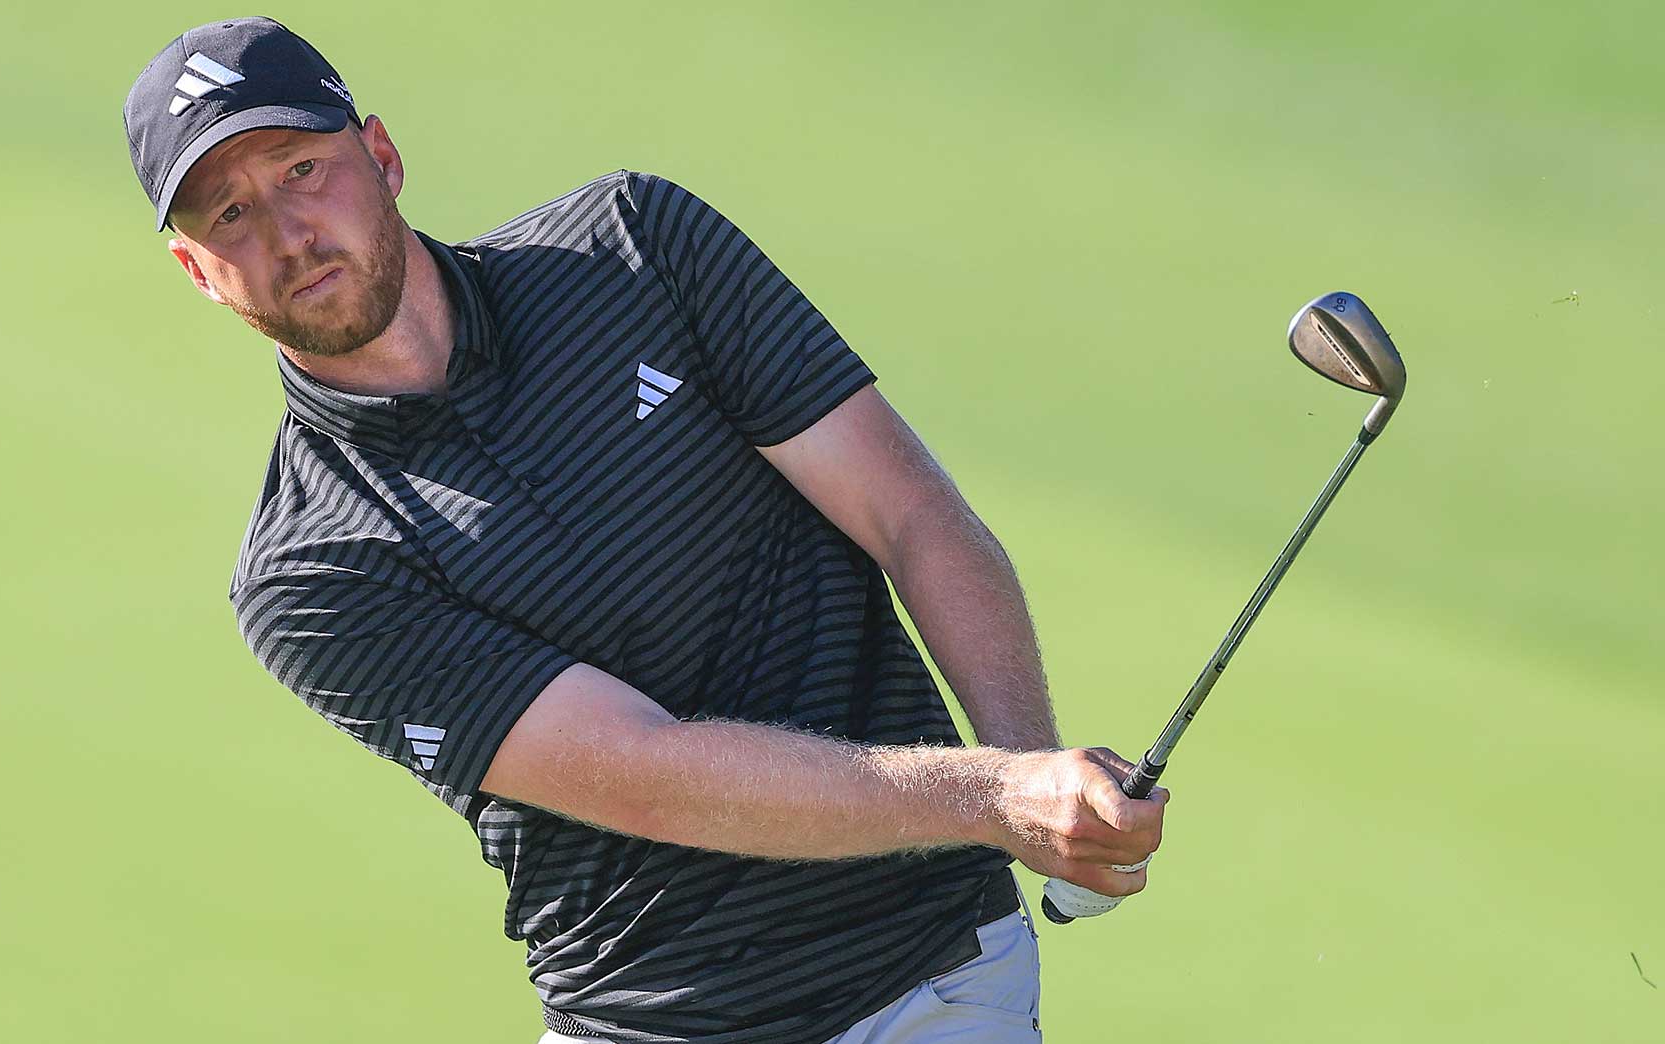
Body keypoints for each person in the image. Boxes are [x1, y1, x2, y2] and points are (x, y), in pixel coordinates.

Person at [122, 16, 1169, 1044]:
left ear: (381, 155)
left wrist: (1037, 777)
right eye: (228, 214)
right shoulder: (313, 570)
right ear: (196, 273)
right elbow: (648, 769)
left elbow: (910, 515)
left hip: (936, 979)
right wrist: (999, 797)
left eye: (301, 169)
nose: (287, 234)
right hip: (661, 1024)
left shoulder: (633, 249)